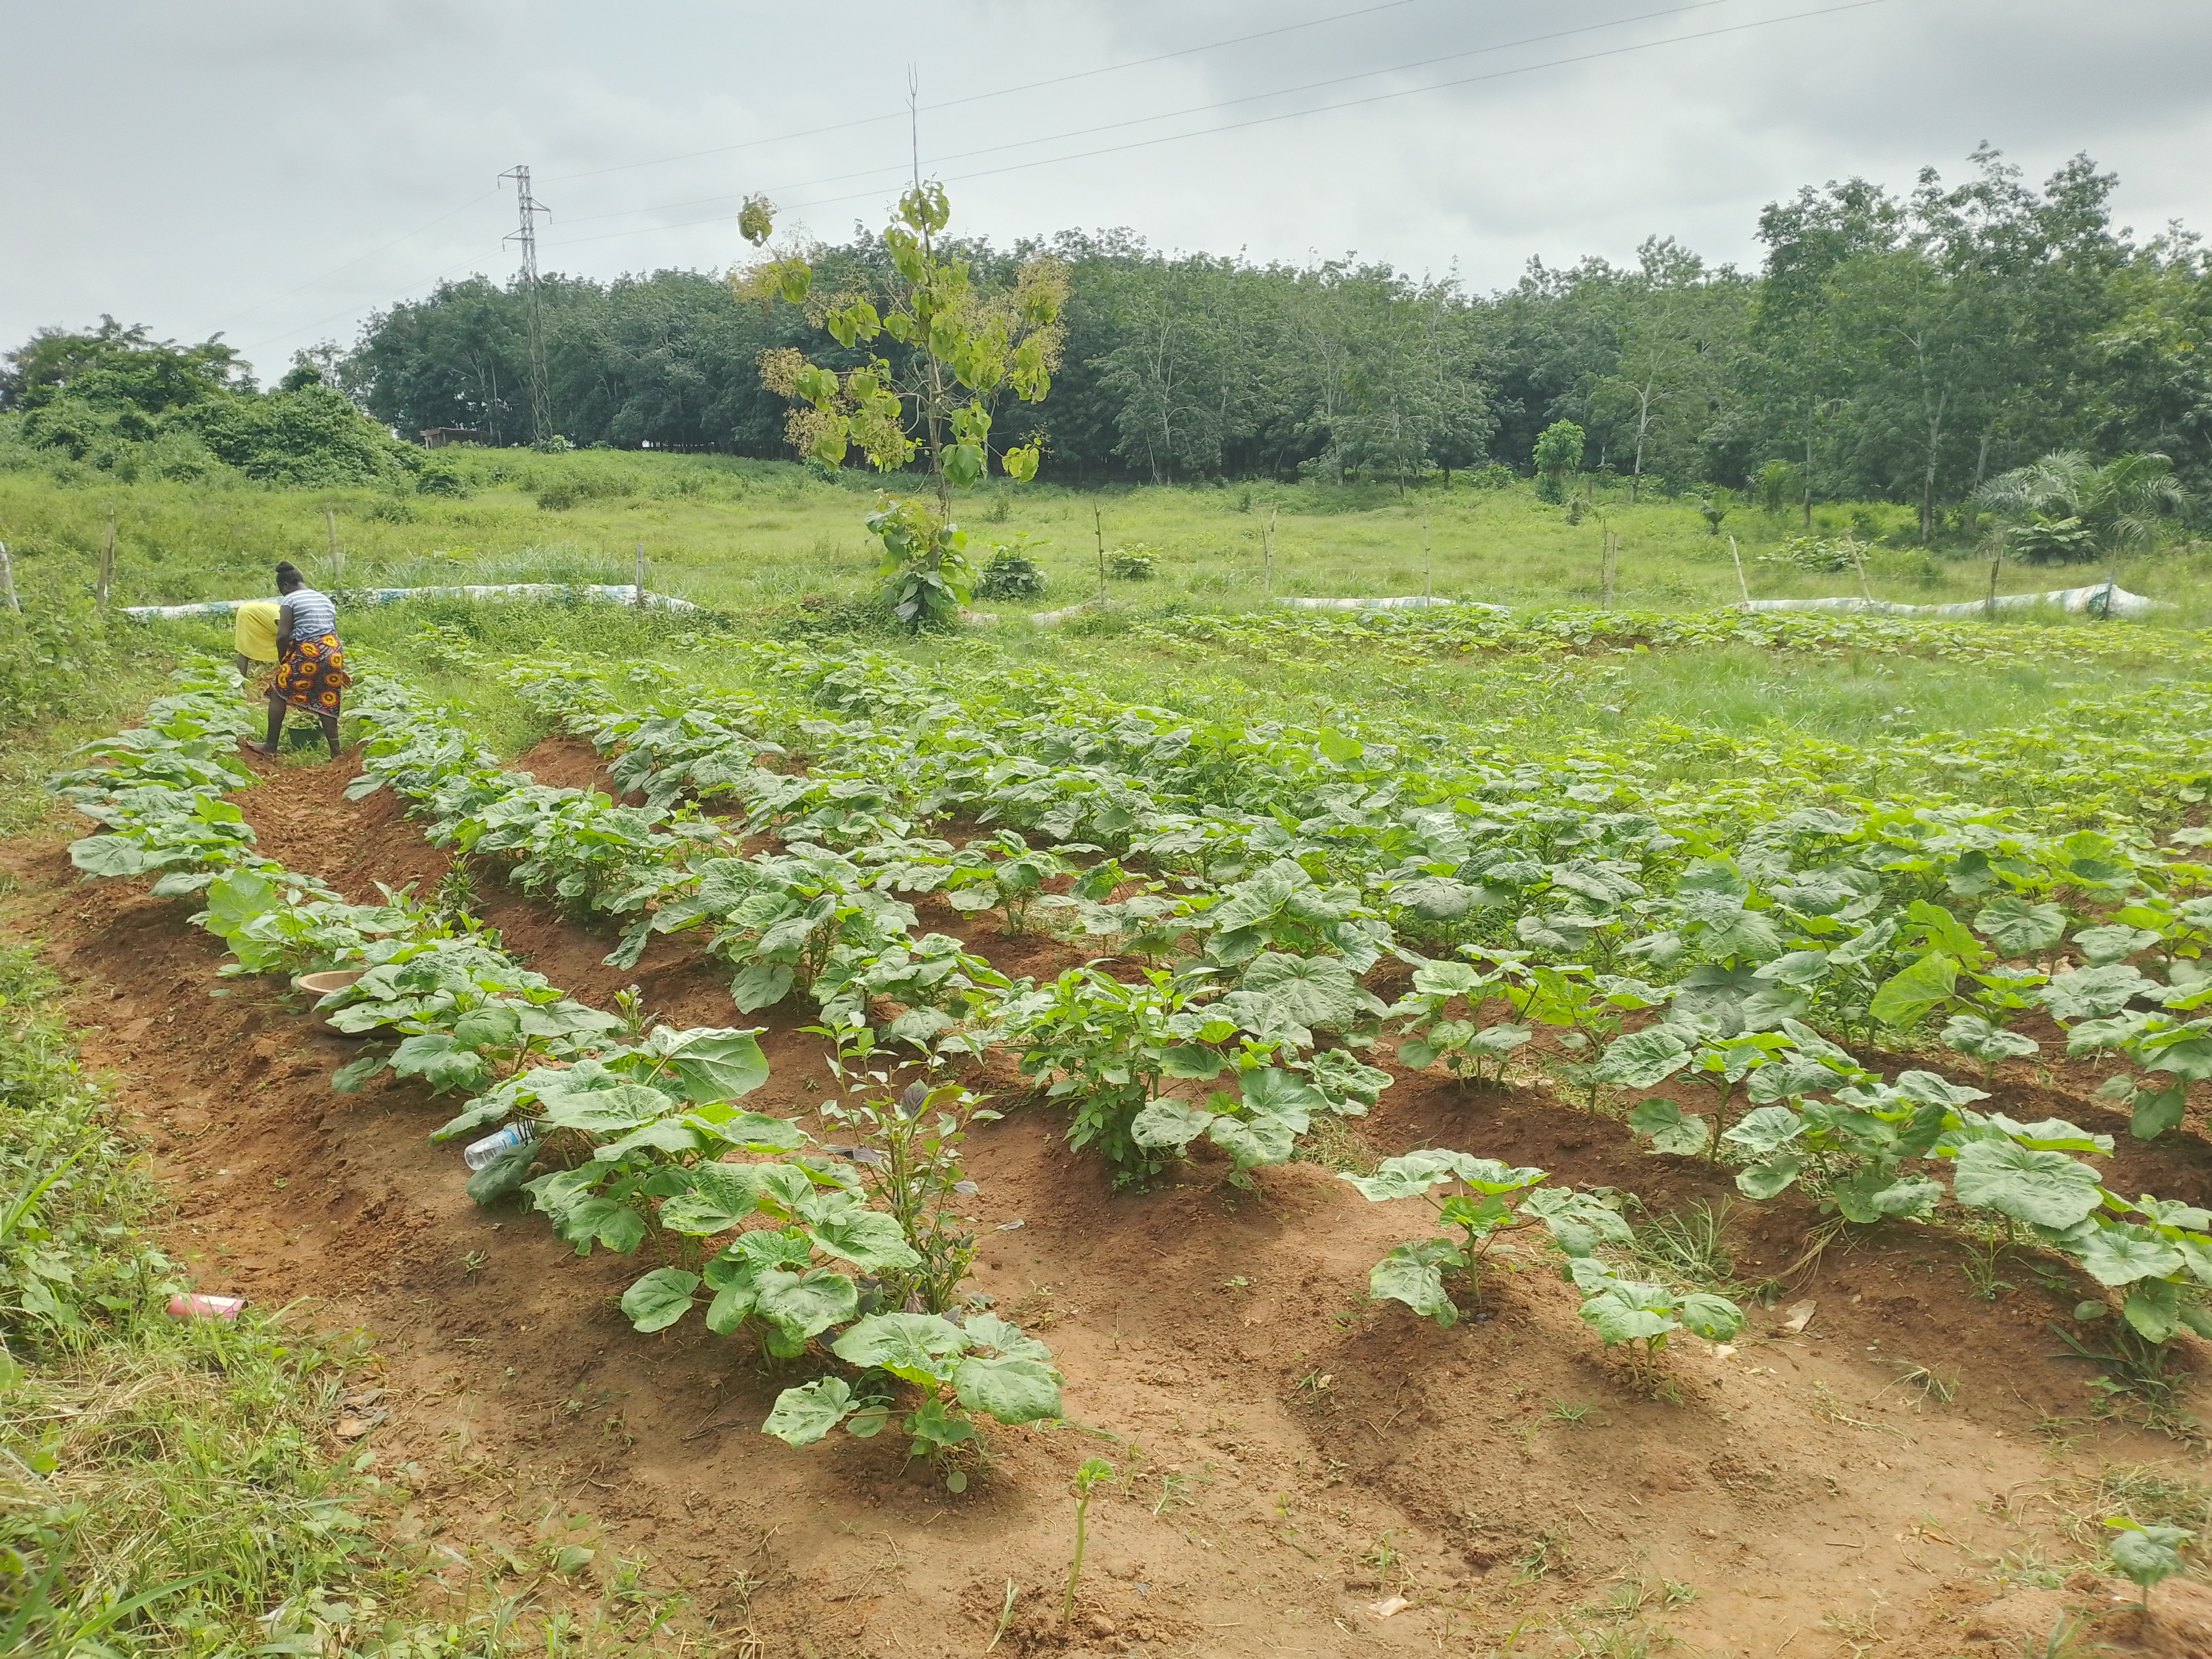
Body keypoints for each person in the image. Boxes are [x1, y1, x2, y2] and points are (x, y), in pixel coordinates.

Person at [244, 562, 350, 759]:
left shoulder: (291, 600)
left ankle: (271, 745)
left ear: (285, 586)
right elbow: (332, 633)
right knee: (327, 697)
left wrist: (283, 659)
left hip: (310, 652)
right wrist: (338, 666)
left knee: (278, 693)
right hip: (334, 651)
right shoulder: (324, 599)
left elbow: (283, 635)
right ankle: (336, 753)